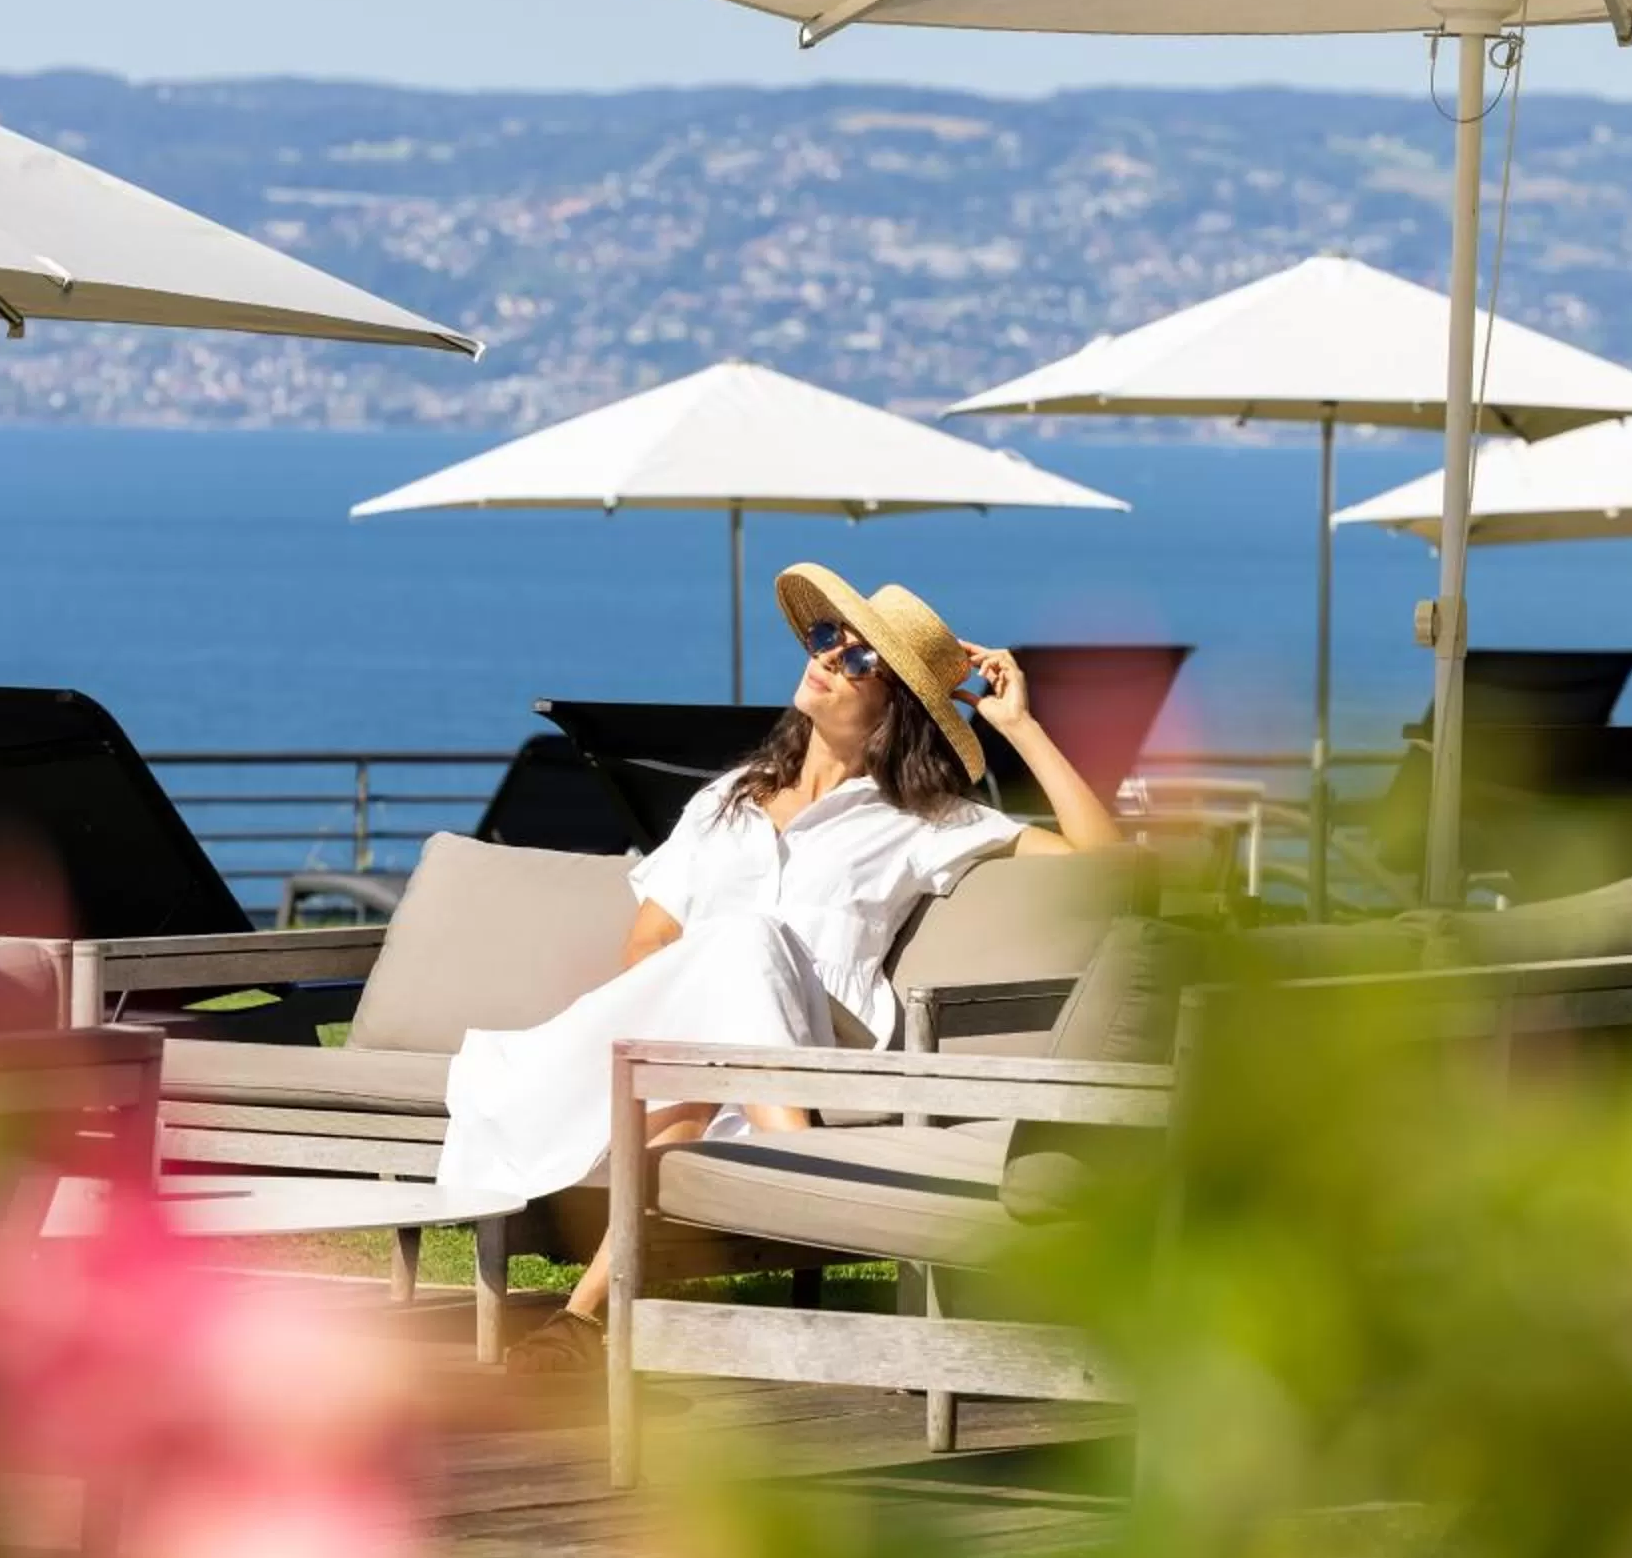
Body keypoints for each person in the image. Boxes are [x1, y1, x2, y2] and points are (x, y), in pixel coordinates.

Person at [436, 563, 1122, 1375]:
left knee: (745, 947)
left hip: (809, 1057)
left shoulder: (923, 820)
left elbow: (1107, 864)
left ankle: (611, 1308)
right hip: (678, 1052)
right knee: (711, 1015)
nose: (829, 657)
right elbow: (647, 945)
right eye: (829, 638)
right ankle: (611, 1311)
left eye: (858, 658)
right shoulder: (726, 799)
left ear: (896, 709)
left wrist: (1021, 727)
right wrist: (702, 1011)